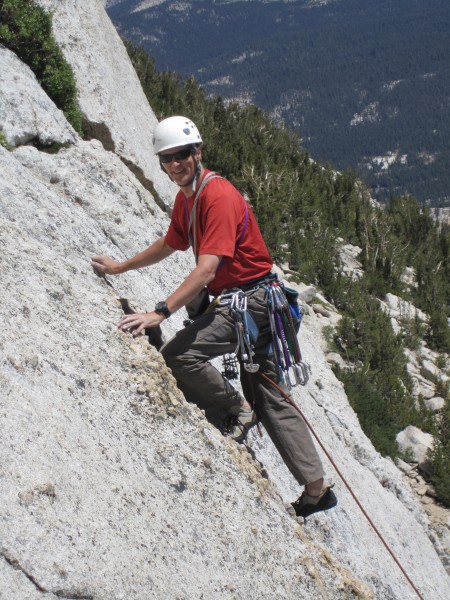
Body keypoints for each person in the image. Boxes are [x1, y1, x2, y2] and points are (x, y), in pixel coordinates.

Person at [91, 116, 337, 518]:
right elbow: (171, 242)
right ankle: (316, 489)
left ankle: (237, 410)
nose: (176, 164)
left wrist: (159, 312)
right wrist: (121, 268)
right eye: (167, 158)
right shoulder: (188, 198)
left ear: (198, 152)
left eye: (182, 155)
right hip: (258, 303)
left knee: (179, 356)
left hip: (250, 304)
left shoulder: (216, 197)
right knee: (269, 390)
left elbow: (206, 269)